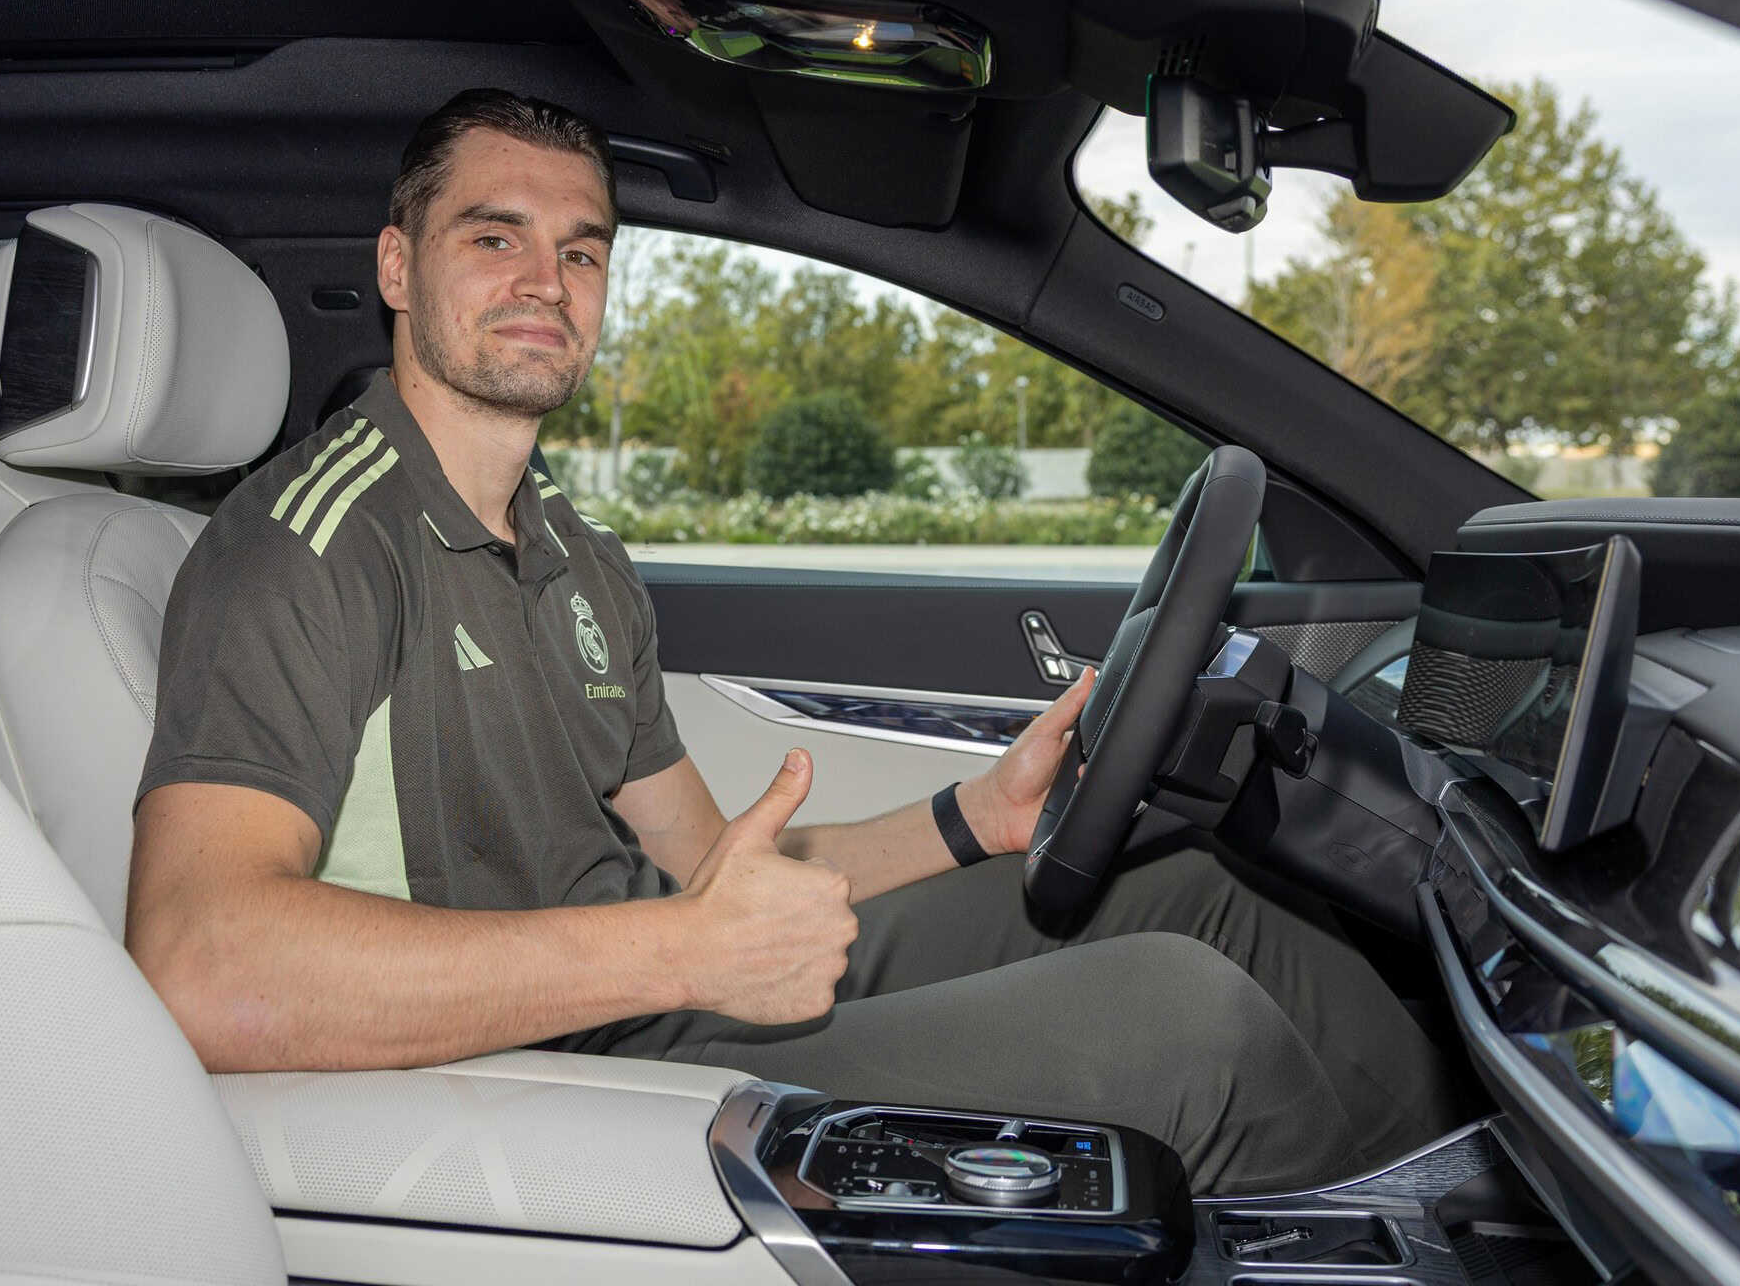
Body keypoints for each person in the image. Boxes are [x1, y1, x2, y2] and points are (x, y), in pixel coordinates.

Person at [126, 88, 1459, 1194]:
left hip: (649, 993)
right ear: (397, 267)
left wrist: (977, 816)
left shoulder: (576, 552)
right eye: (495, 237)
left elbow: (714, 869)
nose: (546, 282)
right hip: (533, 1080)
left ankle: (1461, 1195)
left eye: (582, 251)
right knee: (1187, 1021)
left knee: (1198, 892)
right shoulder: (302, 548)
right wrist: (678, 952)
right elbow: (203, 969)